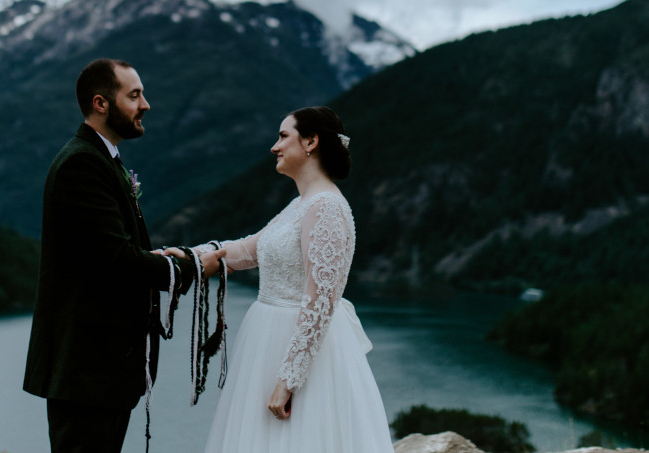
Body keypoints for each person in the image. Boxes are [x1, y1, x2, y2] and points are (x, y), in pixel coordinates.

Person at [24, 58, 220, 453]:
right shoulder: (82, 164)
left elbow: (106, 252)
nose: (145, 104)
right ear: (101, 103)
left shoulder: (100, 159)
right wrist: (191, 267)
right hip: (86, 369)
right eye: (134, 95)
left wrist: (156, 257)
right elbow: (118, 261)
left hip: (102, 369)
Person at [182, 106, 392, 452]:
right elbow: (249, 250)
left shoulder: (326, 207)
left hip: (301, 356)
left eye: (282, 136)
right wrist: (186, 255)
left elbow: (320, 301)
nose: (273, 147)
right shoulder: (301, 204)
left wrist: (288, 380)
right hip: (267, 342)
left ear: (310, 142)